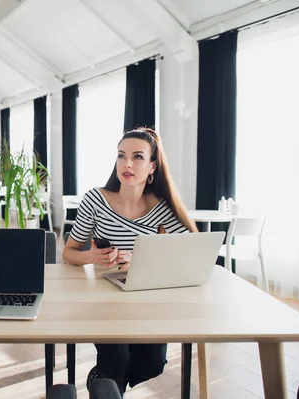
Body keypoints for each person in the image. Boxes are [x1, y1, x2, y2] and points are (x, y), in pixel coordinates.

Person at [62, 127, 198, 394]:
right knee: (115, 359)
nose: (127, 164)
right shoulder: (95, 200)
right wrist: (92, 256)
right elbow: (68, 252)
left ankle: (103, 381)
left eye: (137, 157)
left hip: (144, 297)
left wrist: (141, 258)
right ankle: (108, 384)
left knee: (154, 363)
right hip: (103, 299)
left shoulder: (161, 206)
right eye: (121, 156)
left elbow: (191, 250)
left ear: (152, 167)